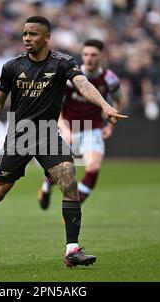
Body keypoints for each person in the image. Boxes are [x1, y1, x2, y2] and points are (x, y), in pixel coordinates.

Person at [0, 16, 128, 268]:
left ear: (46, 37)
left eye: (32, 34)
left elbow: (83, 84)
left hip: (48, 133)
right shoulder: (11, 67)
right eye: (24, 34)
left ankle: (72, 250)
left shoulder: (63, 62)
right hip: (21, 134)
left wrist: (106, 106)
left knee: (68, 179)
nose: (27, 39)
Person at [37, 39, 124, 209]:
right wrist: (62, 126)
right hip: (69, 128)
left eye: (93, 55)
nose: (89, 58)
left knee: (93, 167)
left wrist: (110, 126)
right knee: (62, 171)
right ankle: (46, 187)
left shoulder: (109, 78)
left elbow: (120, 100)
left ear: (101, 56)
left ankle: (75, 206)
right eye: (85, 54)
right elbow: (56, 104)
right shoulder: (71, 77)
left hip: (92, 130)